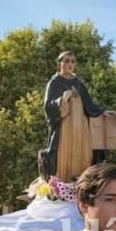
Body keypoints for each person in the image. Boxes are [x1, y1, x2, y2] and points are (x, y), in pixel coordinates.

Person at [42, 51, 105, 182]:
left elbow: (89, 104)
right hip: (65, 128)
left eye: (72, 61)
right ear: (60, 64)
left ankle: (81, 183)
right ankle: (61, 185)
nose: (70, 64)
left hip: (81, 127)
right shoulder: (54, 83)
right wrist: (61, 100)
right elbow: (48, 107)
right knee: (63, 156)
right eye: (66, 61)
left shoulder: (78, 83)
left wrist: (102, 112)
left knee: (85, 154)